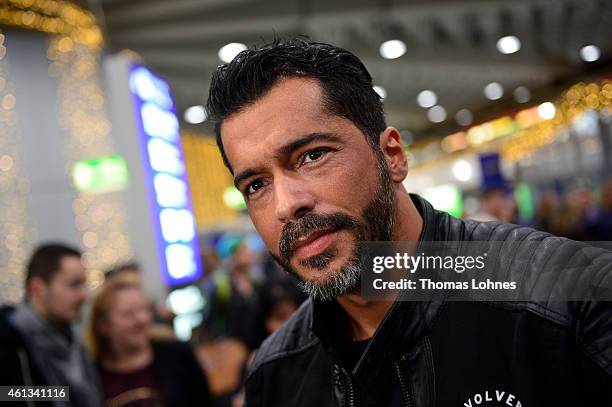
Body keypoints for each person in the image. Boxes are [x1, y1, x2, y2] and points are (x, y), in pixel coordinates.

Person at [205, 37, 612, 406]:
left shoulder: (568, 302)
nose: (285, 205)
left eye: (312, 155)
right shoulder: (277, 376)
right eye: (257, 184)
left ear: (392, 156)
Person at [0, 243, 102, 407]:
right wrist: (61, 392)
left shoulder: (74, 342)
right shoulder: (9, 345)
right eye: (74, 284)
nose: (85, 295)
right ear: (37, 289)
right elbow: (6, 393)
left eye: (84, 284)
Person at [86, 276, 212, 407]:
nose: (141, 319)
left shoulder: (178, 355)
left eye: (143, 309)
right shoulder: (90, 375)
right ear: (103, 325)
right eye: (128, 314)